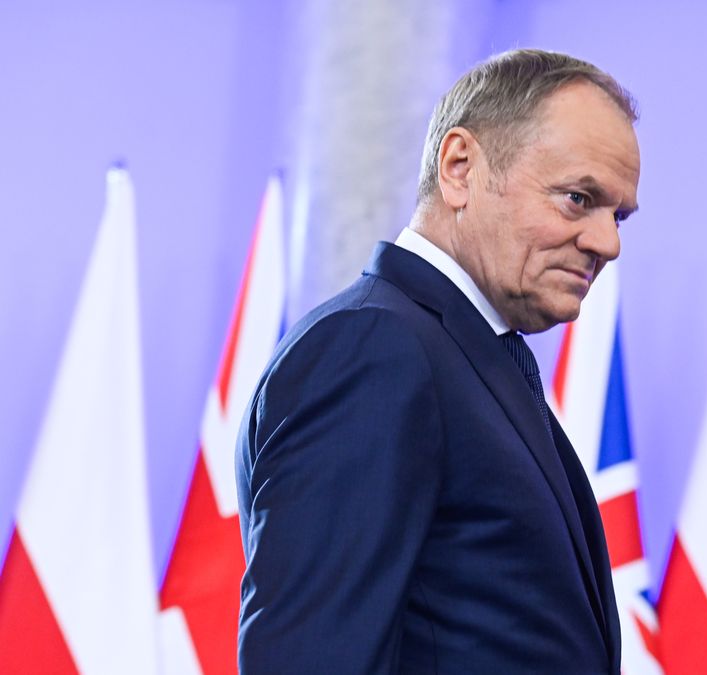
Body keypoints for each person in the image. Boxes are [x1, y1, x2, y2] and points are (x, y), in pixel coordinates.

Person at [235, 49, 640, 674]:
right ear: (459, 168)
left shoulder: (465, 355)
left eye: (618, 215)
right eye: (577, 199)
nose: (607, 243)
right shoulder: (373, 348)